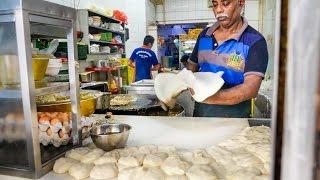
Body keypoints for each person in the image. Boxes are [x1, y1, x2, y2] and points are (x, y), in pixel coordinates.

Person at [187, 0, 269, 118]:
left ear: (240, 3)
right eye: (215, 4)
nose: (219, 10)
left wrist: (207, 97)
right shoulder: (205, 36)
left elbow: (251, 89)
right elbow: (191, 67)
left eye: (225, 3)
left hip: (235, 116)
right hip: (201, 114)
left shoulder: (254, 41)